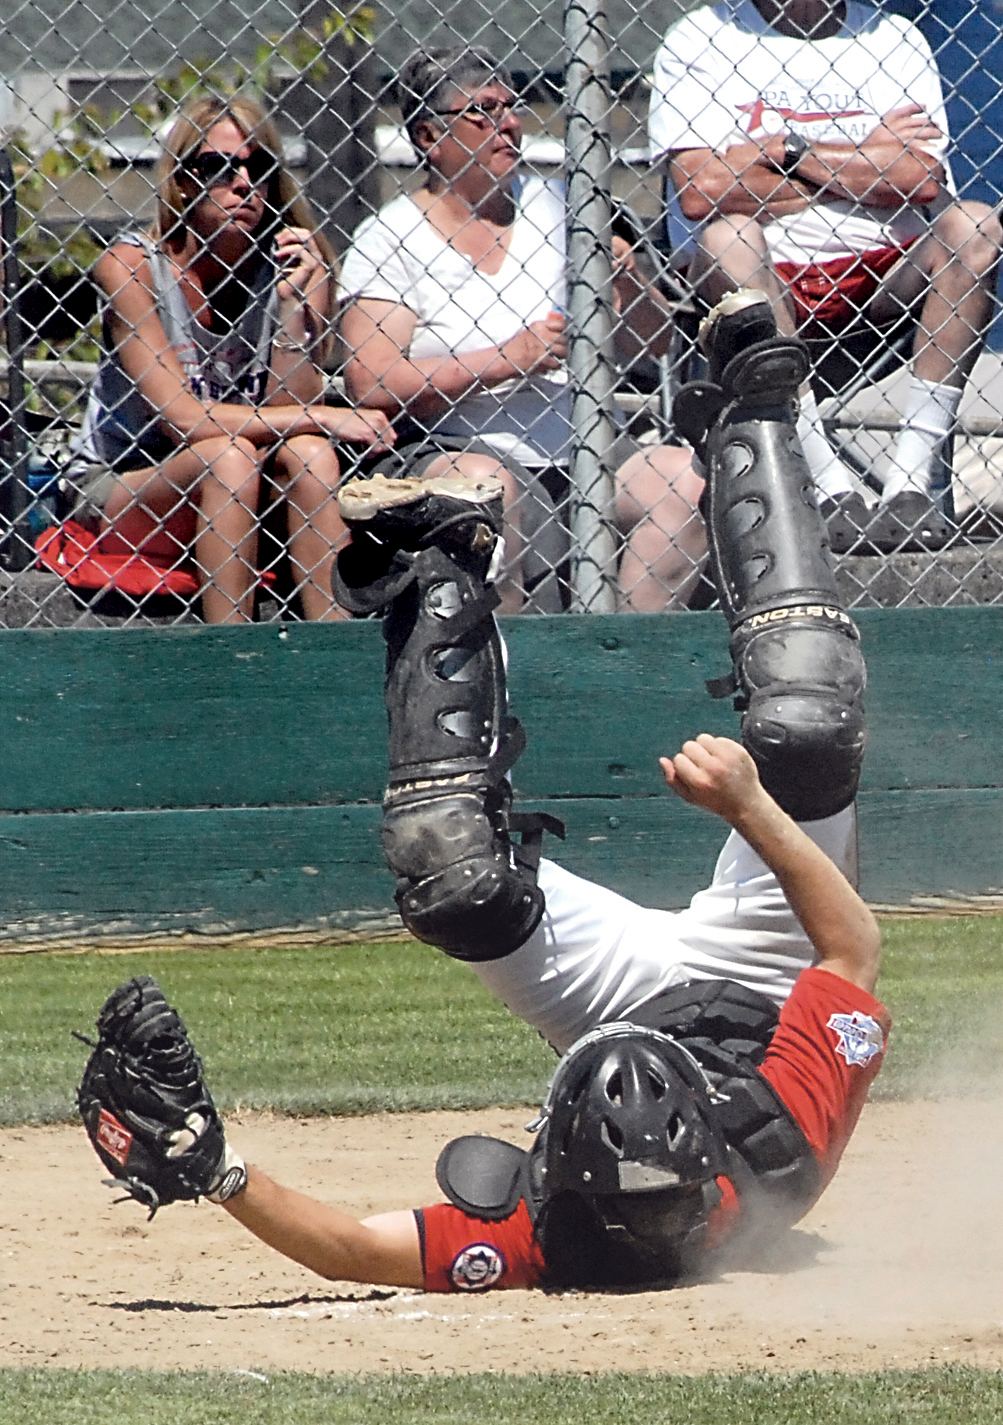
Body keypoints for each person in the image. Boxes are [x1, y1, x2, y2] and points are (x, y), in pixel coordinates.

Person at [84, 292, 886, 1293]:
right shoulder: (784, 1136)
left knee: (454, 881)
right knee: (806, 724)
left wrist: (220, 1171)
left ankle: (444, 569)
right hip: (762, 988)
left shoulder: (568, 1230)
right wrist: (751, 808)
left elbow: (358, 1249)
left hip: (613, 1002)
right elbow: (852, 947)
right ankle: (751, 418)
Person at [341, 47, 706, 613]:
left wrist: (627, 279)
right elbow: (372, 380)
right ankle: (513, 683)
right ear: (429, 137)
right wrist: (508, 358)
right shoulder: (390, 237)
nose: (507, 124)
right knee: (489, 487)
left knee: (681, 480)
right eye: (481, 111)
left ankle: (622, 667)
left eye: (511, 107)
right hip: (457, 448)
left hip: (585, 448)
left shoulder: (561, 206)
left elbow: (654, 342)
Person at [651, 0, 1003, 548]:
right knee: (731, 236)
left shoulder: (893, 38)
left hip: (884, 277)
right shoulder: (700, 37)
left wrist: (783, 151)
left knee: (975, 226)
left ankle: (912, 484)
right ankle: (826, 483)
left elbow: (919, 179)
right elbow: (701, 193)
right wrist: (866, 159)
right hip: (761, 274)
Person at [70, 96, 396, 622]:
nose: (242, 183)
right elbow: (183, 420)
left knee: (310, 454)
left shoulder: (295, 264)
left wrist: (292, 310)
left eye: (259, 167)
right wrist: (327, 415)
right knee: (230, 455)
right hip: (129, 483)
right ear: (182, 180)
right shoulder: (130, 268)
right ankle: (234, 665)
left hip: (248, 481)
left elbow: (291, 406)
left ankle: (338, 667)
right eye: (218, 167)